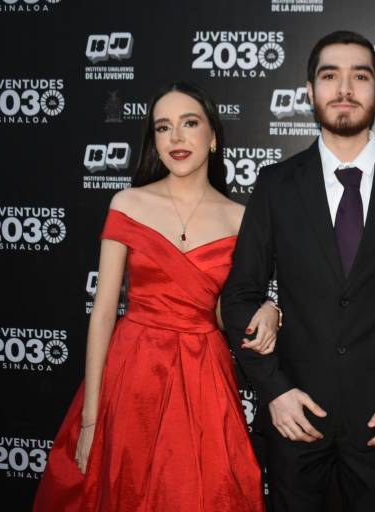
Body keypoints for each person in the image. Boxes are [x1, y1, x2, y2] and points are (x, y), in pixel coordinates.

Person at [221, 31, 375, 512]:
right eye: (330, 76)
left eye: (359, 77)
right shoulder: (276, 184)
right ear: (310, 91)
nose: (345, 89)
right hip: (295, 416)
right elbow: (241, 294)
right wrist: (275, 391)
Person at [34, 82, 277, 512]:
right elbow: (103, 312)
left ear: (213, 136)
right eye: (163, 127)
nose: (176, 137)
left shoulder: (241, 219)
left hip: (202, 373)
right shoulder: (128, 203)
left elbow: (224, 312)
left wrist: (270, 309)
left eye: (189, 123)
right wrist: (90, 419)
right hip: (134, 372)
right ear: (154, 140)